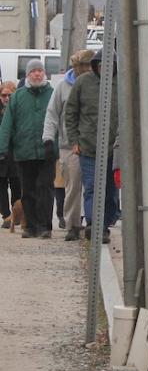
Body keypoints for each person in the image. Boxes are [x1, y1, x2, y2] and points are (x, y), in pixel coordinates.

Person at [64, 49, 119, 244]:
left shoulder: (121, 84)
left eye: (109, 65)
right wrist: (74, 141)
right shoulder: (83, 83)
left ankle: (106, 221)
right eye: (101, 64)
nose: (105, 68)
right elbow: (70, 112)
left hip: (115, 149)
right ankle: (96, 227)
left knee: (111, 192)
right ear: (95, 65)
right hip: (88, 147)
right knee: (92, 188)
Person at [42, 49, 94, 240]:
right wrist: (48, 138)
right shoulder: (63, 87)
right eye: (84, 65)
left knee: (92, 187)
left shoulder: (97, 85)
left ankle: (93, 223)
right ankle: (72, 224)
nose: (87, 69)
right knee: (72, 187)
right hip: (68, 145)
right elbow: (52, 114)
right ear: (77, 66)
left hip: (92, 144)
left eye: (90, 64)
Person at [0, 60, 55, 238]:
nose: (37, 74)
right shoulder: (17, 97)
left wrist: (59, 145)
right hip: (24, 152)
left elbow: (60, 120)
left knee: (45, 188)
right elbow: (7, 124)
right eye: (33, 72)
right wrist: (2, 147)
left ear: (44, 73)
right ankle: (30, 226)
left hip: (47, 151)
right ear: (28, 75)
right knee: (28, 190)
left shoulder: (52, 94)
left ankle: (45, 226)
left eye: (40, 71)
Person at [0, 81, 21, 229]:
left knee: (16, 185)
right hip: (1, 155)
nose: (6, 98)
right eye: (3, 95)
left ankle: (16, 214)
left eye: (9, 95)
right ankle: (6, 215)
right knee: (0, 186)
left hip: (15, 154)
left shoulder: (18, 110)